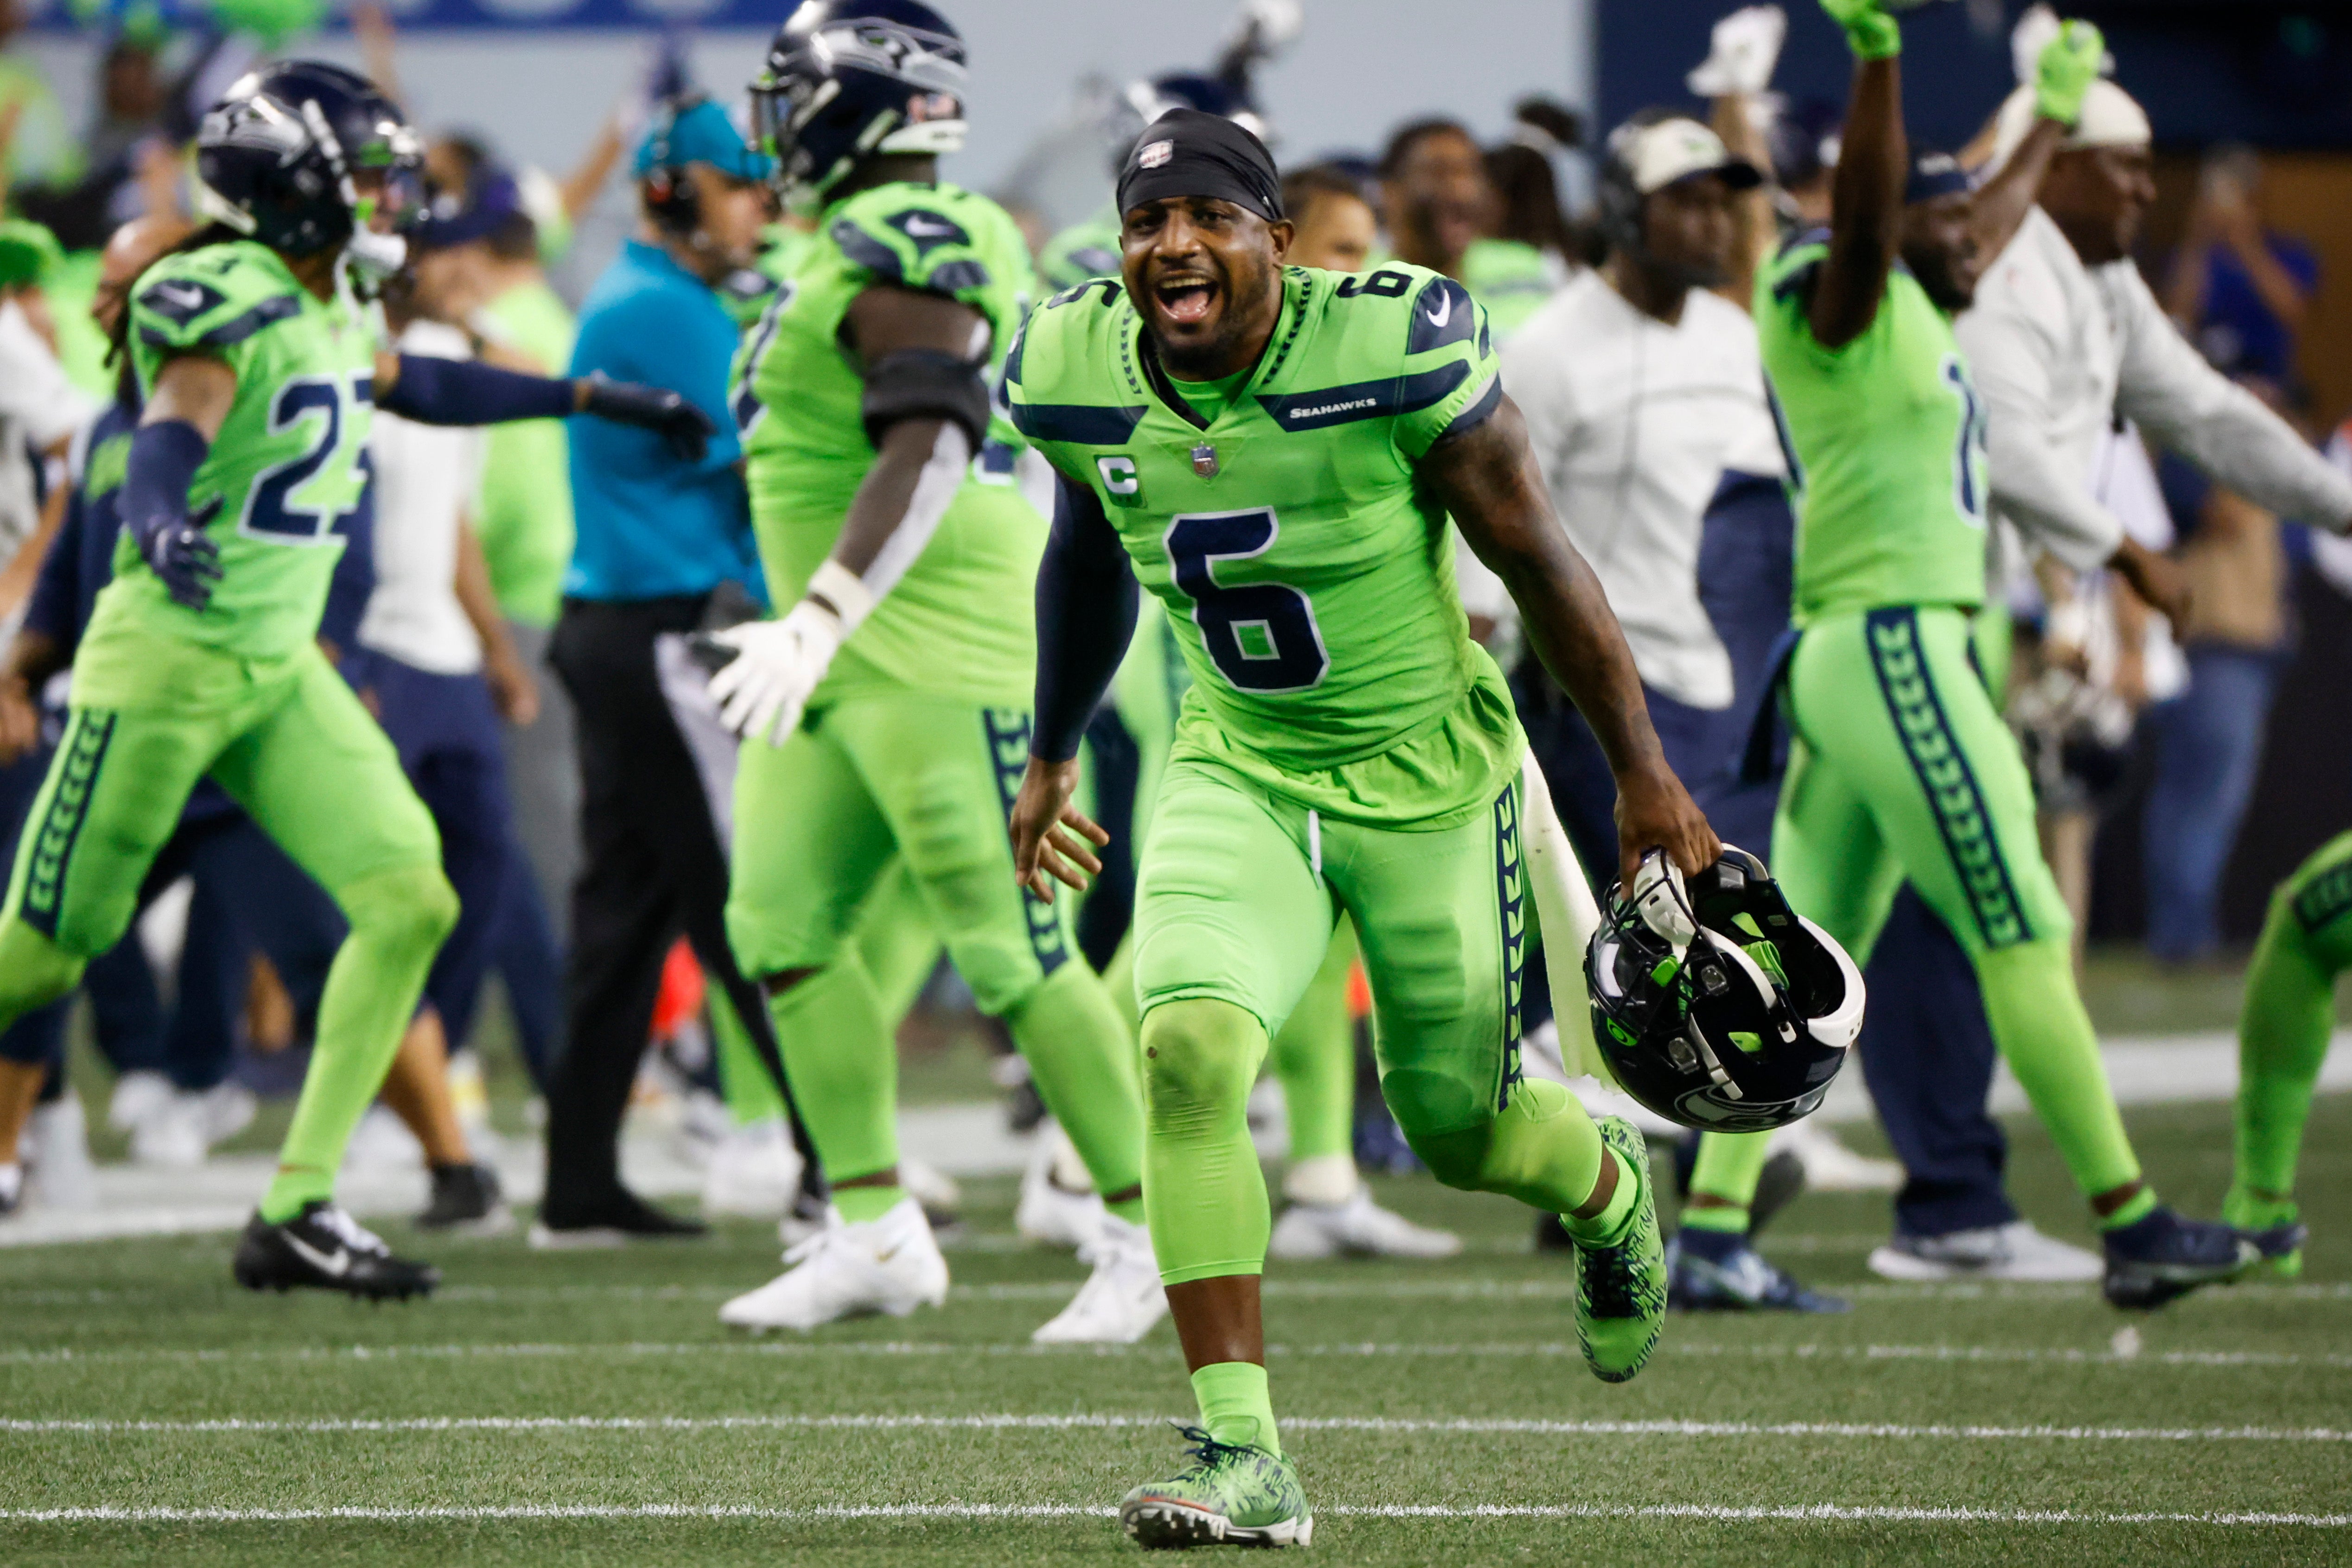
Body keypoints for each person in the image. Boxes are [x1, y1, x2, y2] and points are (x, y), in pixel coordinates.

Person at [1006, 105, 1716, 1544]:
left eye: (1209, 217)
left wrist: (1639, 772)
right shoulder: (1071, 363)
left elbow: (1534, 554)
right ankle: (1243, 1454)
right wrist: (1052, 749)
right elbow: (1085, 546)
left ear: (1276, 237)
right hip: (1240, 763)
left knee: (1457, 1129)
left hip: (1429, 780)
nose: (1173, 246)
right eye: (1146, 222)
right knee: (1186, 1048)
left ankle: (1602, 1184)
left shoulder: (1389, 344)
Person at [0, 61, 715, 1290]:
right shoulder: (226, 290)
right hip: (165, 664)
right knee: (52, 944)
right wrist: (159, 518)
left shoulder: (325, 295)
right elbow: (175, 419)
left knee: (407, 896)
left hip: (276, 667)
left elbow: (417, 383)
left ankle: (298, 1203)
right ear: (292, 186)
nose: (395, 199)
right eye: (372, 176)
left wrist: (590, 397)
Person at [1757, 1, 2252, 1310]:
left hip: (1876, 642)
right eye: (1950, 224)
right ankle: (2131, 1219)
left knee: (1804, 952)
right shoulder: (1836, 293)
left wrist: (2045, 115)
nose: (1979, 240)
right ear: (1895, 227)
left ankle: (1703, 1227)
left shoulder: (1926, 300)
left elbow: (1973, 210)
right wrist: (1877, 60)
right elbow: (1881, 220)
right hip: (1893, 638)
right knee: (2023, 924)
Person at [703, 0, 1160, 1345]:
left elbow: (934, 433)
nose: (776, 123)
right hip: (838, 654)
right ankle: (873, 1230)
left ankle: (1153, 1232)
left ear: (859, 99)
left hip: (938, 640)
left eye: (794, 94)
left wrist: (820, 611)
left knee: (1014, 951)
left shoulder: (918, 229)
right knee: (779, 928)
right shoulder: (843, 239)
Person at [1934, 72, 2352, 1271]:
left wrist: (2337, 503)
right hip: (1934, 615)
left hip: (1969, 613)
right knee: (2003, 918)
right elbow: (2008, 450)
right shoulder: (1989, 274)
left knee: (1889, 913)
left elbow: (2213, 418)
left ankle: (1860, 1201)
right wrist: (2120, 556)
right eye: (2120, 164)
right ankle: (2098, 1216)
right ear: (2053, 165)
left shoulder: (2103, 285)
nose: (2141, 187)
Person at [1504, 110, 1849, 1313]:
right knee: (1642, 951)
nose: (1710, 222)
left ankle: (1645, 1157)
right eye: (1683, 200)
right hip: (1600, 695)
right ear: (1620, 209)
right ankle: (1671, 1174)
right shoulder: (1549, 346)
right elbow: (1489, 514)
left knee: (1698, 952)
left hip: (1723, 679)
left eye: (1722, 200)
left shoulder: (1736, 335)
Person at [537, 93, 823, 1248]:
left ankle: (576, 1185)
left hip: (626, 625)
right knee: (747, 899)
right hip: (662, 636)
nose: (758, 208)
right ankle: (839, 1166)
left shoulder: (658, 297)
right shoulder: (664, 309)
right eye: (736, 187)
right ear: (669, 193)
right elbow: (783, 449)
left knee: (624, 915)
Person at [1378, 117, 1557, 340]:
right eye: (1438, 173)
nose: (1462, 191)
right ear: (1391, 192)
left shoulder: (1522, 268)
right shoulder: (1358, 280)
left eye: (1471, 172)